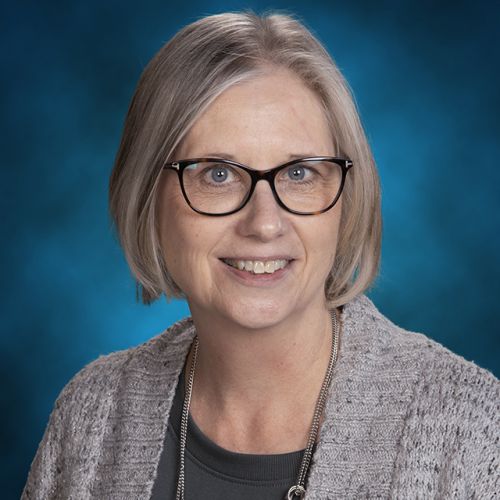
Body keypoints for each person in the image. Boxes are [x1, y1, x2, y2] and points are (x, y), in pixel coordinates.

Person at [23, 11, 498, 500]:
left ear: (347, 197)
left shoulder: (471, 431)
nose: (265, 223)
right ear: (147, 194)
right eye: (217, 175)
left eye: (299, 173)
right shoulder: (92, 417)